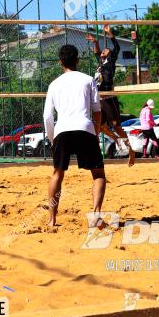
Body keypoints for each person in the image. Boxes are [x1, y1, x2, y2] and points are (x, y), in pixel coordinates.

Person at [43, 44, 105, 228]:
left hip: (62, 130)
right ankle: (95, 215)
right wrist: (96, 131)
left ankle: (52, 219)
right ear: (77, 60)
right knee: (98, 174)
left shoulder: (54, 84)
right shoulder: (88, 80)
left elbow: (47, 116)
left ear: (60, 62)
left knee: (57, 174)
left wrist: (53, 138)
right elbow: (97, 111)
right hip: (85, 128)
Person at [86, 24, 135, 165]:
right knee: (100, 127)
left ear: (110, 54)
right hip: (99, 98)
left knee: (117, 127)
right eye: (103, 50)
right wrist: (95, 42)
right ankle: (116, 141)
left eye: (106, 50)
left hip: (108, 98)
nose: (103, 51)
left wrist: (110, 34)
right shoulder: (101, 63)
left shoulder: (110, 62)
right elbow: (96, 53)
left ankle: (130, 150)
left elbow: (117, 48)